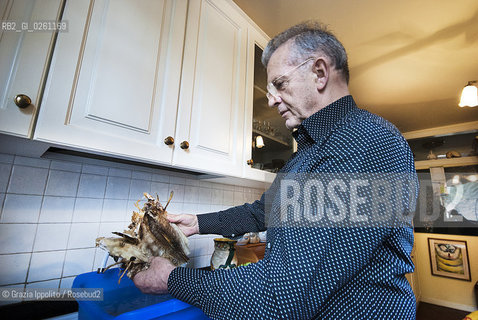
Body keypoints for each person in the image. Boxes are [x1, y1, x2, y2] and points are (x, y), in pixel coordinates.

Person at [134, 21, 418, 319]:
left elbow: (281, 296)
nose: (271, 100)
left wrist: (170, 279)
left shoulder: (362, 140)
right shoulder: (307, 153)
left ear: (319, 73)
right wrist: (197, 223)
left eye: (280, 84)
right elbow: (264, 212)